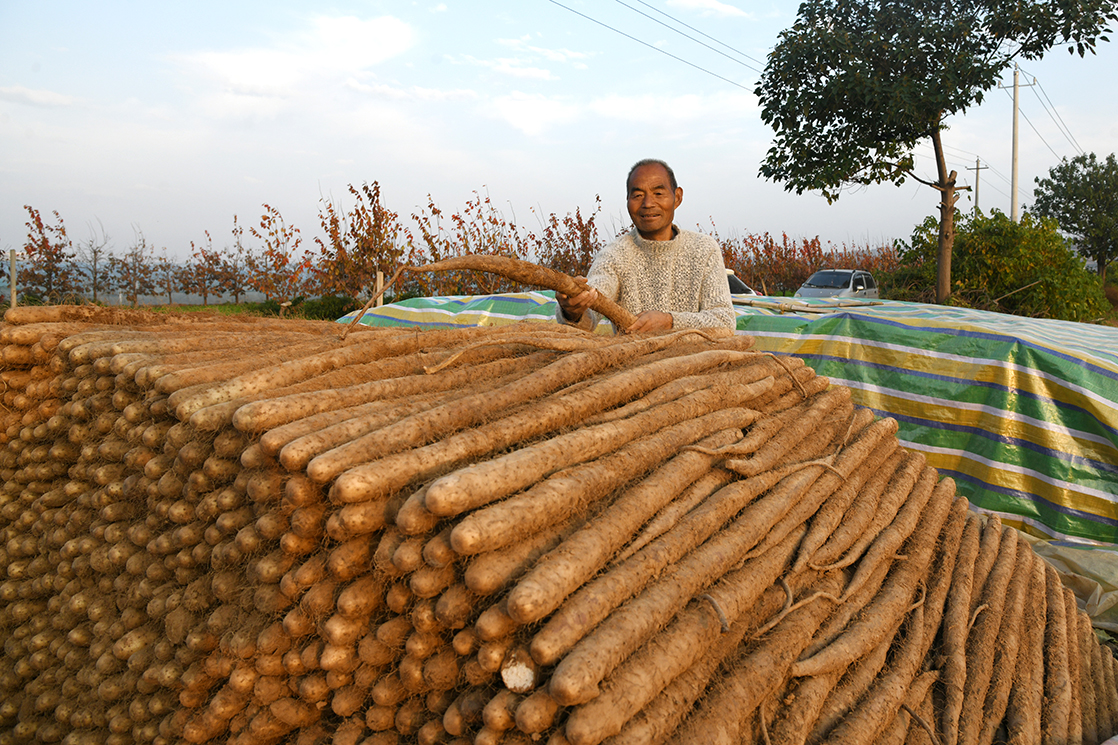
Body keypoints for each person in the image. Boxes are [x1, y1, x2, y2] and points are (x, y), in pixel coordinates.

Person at [556, 159, 736, 333]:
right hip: (634, 361)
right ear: (627, 201)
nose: (648, 204)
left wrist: (670, 322)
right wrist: (574, 310)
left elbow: (724, 321)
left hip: (701, 362)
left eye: (658, 194)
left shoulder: (704, 248)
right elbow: (591, 309)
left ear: (677, 197)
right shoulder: (615, 254)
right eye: (638, 195)